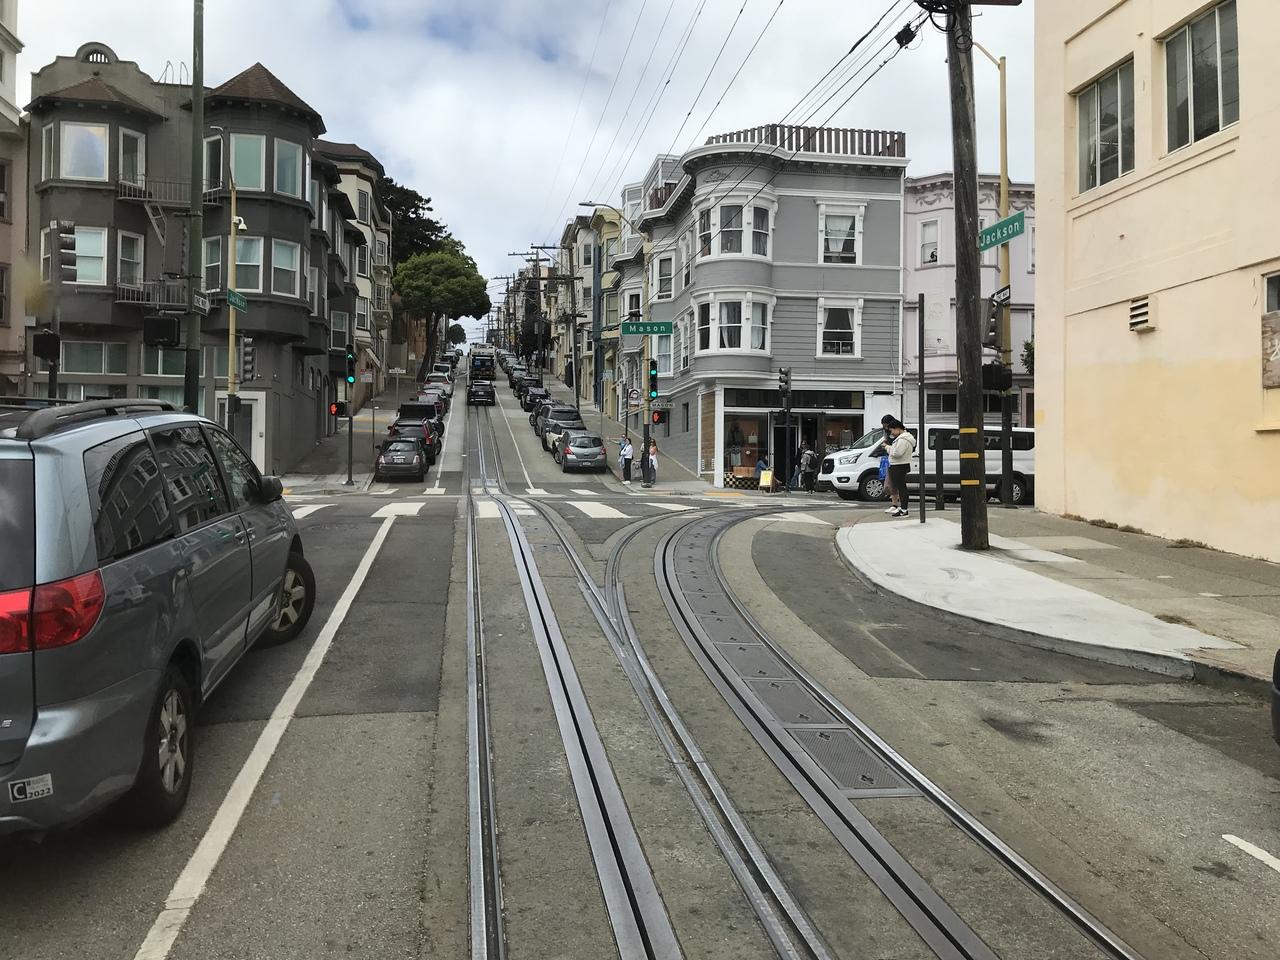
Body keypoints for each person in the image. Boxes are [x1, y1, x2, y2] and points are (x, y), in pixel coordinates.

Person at [886, 419, 917, 518]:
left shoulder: (903, 439)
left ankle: (904, 510)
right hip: (901, 465)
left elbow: (897, 453)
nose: (891, 433)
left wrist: (888, 448)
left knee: (902, 488)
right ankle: (903, 509)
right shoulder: (905, 438)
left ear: (898, 428)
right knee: (901, 487)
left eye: (892, 430)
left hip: (899, 465)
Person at [871, 414, 898, 514]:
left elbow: (896, 448)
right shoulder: (887, 432)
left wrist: (887, 446)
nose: (886, 428)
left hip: (896, 460)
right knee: (891, 483)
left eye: (886, 425)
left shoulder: (898, 433)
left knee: (897, 484)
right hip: (889, 458)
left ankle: (900, 506)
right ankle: (894, 504)